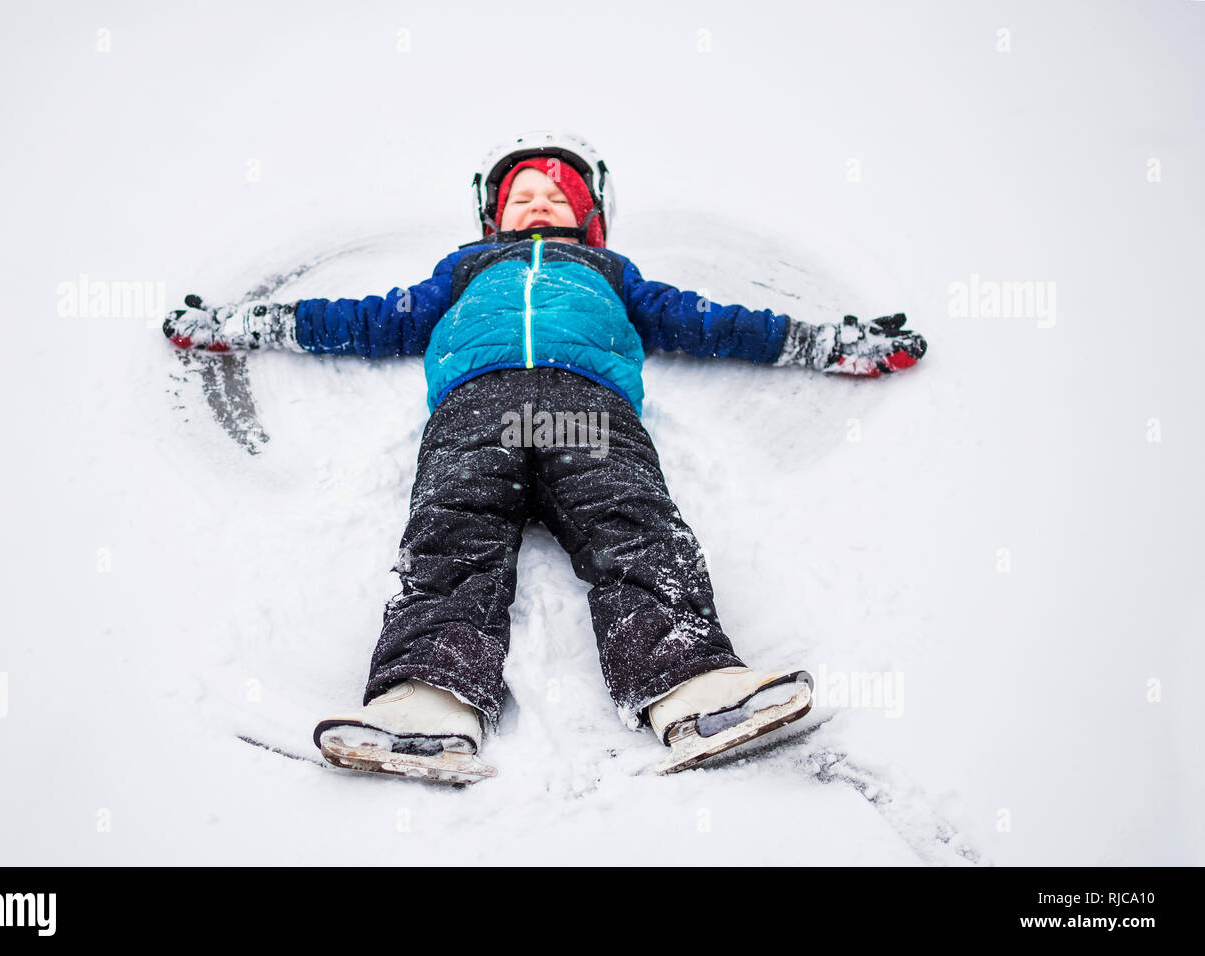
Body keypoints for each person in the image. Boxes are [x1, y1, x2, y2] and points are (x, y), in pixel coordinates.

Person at [162, 131, 928, 784]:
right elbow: (365, 319)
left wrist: (832, 343)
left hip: (585, 408)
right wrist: (241, 325)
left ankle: (689, 681)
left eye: (555, 195)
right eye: (521, 196)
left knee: (633, 524)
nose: (537, 204)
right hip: (475, 410)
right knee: (451, 538)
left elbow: (717, 323)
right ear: (492, 216)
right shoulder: (462, 273)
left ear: (589, 218)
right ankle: (426, 694)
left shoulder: (610, 274)